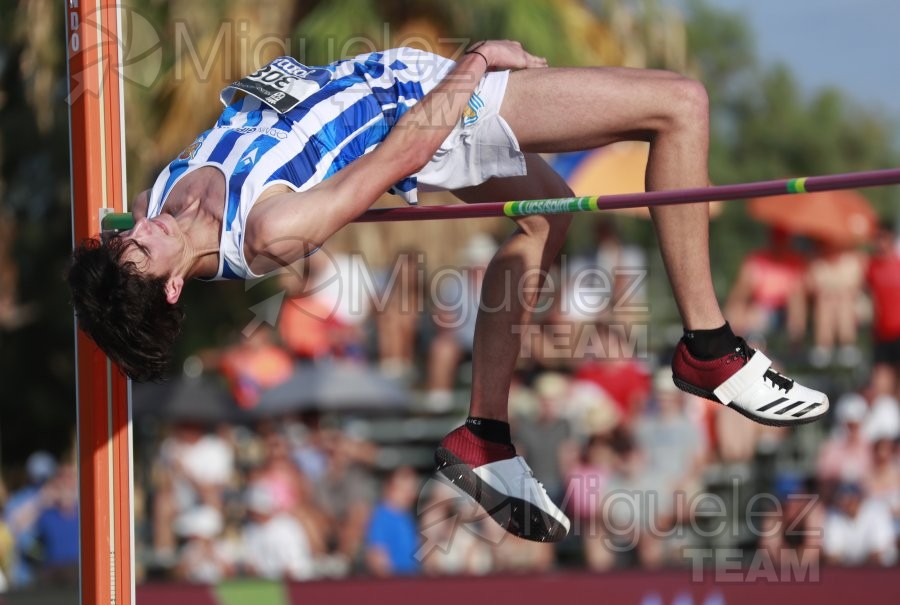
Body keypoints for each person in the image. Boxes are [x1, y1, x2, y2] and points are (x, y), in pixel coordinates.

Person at [68, 41, 830, 542]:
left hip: (403, 80)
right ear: (173, 284)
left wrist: (111, 256)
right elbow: (399, 153)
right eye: (142, 248)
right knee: (681, 103)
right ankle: (709, 346)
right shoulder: (271, 227)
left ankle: (483, 435)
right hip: (432, 111)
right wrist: (472, 67)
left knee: (544, 223)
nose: (140, 230)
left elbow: (118, 243)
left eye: (129, 235)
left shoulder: (159, 198)